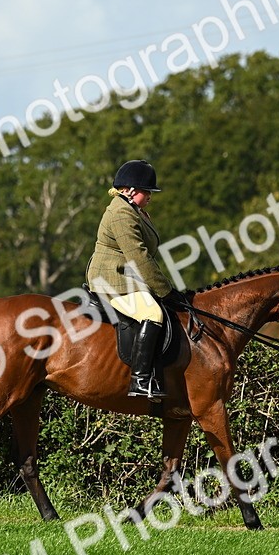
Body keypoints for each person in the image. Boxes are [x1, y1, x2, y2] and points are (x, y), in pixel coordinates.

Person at [85, 159, 184, 399]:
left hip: (125, 275)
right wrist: (166, 291)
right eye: (147, 191)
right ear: (130, 190)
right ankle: (140, 380)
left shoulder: (133, 210)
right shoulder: (121, 213)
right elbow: (138, 257)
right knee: (153, 313)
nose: (150, 195)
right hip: (111, 278)